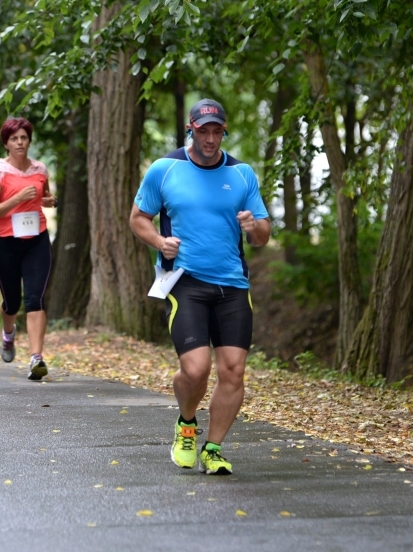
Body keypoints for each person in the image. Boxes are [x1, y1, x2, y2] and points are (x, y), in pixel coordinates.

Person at [129, 99, 271, 475]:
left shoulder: (242, 175)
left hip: (232, 284)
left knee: (234, 370)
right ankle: (186, 423)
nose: (210, 138)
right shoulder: (165, 169)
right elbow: (139, 218)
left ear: (224, 131)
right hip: (184, 281)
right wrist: (160, 243)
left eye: (217, 131)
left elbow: (263, 235)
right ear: (191, 129)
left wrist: (252, 226)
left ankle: (213, 447)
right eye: (203, 130)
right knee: (196, 369)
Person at [0, 117, 57, 381]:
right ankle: (8, 334)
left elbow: (44, 197)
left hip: (36, 239)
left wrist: (50, 200)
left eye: (24, 138)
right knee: (12, 303)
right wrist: (16, 198)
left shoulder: (40, 168)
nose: (19, 142)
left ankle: (36, 358)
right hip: (5, 243)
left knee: (35, 299)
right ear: (6, 143)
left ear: (29, 141)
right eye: (14, 138)